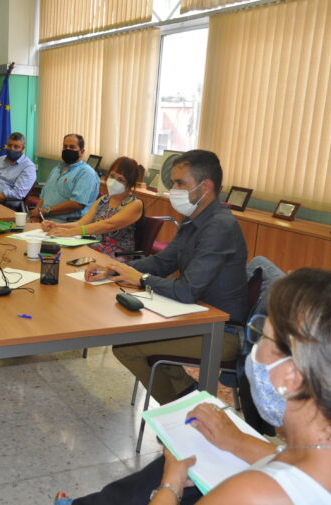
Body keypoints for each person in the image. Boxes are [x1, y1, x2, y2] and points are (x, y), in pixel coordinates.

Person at [56, 269, 331, 505]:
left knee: (175, 467)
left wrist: (170, 484)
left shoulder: (255, 496)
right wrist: (237, 442)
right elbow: (315, 468)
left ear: (291, 376)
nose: (252, 352)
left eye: (260, 337)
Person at [85, 150, 247, 403]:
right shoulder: (193, 220)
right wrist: (116, 269)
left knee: (128, 348)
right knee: (135, 338)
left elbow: (186, 290)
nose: (173, 190)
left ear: (205, 187)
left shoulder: (219, 226)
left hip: (220, 331)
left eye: (180, 183)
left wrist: (141, 279)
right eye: (173, 183)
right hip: (194, 315)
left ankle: (177, 412)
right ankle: (186, 398)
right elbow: (163, 262)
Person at [41, 156, 143, 258]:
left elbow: (108, 225)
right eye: (112, 176)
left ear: (130, 183)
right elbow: (81, 223)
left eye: (120, 179)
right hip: (93, 248)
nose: (114, 181)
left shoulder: (135, 204)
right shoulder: (103, 200)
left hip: (115, 256)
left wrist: (70, 232)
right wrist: (56, 226)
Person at [28, 134, 100, 222]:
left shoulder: (86, 173)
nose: (67, 149)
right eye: (65, 147)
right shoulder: (56, 169)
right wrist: (36, 216)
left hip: (65, 223)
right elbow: (43, 196)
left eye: (72, 147)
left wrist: (46, 211)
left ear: (82, 151)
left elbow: (76, 204)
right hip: (43, 219)